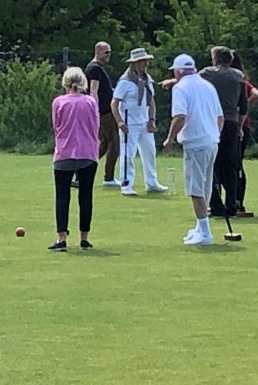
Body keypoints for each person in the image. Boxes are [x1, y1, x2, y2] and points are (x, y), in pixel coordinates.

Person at [162, 54, 224, 246]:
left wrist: (170, 138)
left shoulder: (180, 88)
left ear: (178, 71)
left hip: (196, 143)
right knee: (205, 186)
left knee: (195, 188)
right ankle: (200, 226)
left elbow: (180, 116)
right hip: (212, 142)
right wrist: (215, 135)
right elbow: (220, 117)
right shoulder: (208, 86)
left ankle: (205, 232)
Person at [48, 67, 100, 252]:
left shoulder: (58, 102)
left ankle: (61, 237)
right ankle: (84, 238)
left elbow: (56, 127)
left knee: (62, 196)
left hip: (64, 152)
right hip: (87, 153)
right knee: (86, 196)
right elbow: (96, 126)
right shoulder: (91, 101)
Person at [110, 48, 169, 196]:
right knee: (128, 155)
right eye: (142, 61)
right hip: (129, 123)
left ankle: (152, 183)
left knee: (149, 152)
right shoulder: (125, 82)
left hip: (144, 122)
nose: (145, 64)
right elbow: (114, 103)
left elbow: (151, 101)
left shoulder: (147, 80)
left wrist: (152, 119)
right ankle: (126, 185)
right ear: (134, 63)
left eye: (145, 61)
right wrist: (120, 122)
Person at [199, 46, 248, 216]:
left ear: (216, 59)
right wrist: (240, 127)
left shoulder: (208, 73)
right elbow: (243, 106)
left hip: (213, 122)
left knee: (212, 163)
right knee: (230, 164)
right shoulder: (238, 76)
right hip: (232, 123)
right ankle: (232, 203)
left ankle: (216, 204)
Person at [230, 51, 258, 214]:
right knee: (234, 165)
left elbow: (256, 95)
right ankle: (234, 201)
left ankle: (237, 202)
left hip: (240, 126)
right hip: (237, 126)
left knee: (235, 164)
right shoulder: (236, 79)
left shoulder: (239, 80)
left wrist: (243, 107)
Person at [85, 41, 121, 186]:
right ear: (98, 51)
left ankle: (82, 171)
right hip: (104, 112)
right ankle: (109, 177)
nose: (108, 55)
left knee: (104, 144)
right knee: (114, 141)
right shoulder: (94, 69)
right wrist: (95, 111)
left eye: (110, 52)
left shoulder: (97, 68)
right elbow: (93, 91)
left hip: (105, 111)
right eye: (106, 52)